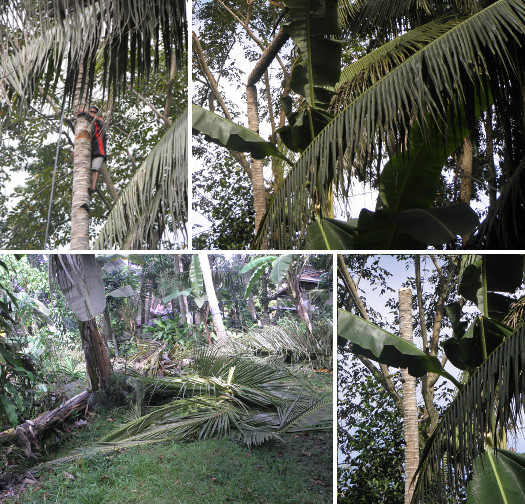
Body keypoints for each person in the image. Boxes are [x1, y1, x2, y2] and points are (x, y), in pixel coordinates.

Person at [74, 105, 107, 196]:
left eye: (93, 112)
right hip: (89, 151)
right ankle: (78, 169)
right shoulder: (88, 124)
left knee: (95, 168)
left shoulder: (100, 121)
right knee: (72, 153)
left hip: (99, 151)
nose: (92, 113)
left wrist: (85, 112)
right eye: (91, 112)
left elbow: (99, 119)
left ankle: (93, 187)